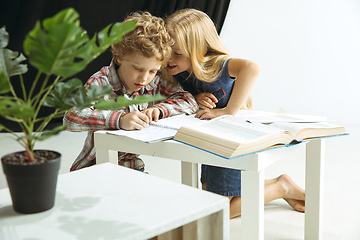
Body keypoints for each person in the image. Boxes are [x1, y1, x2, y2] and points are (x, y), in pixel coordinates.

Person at [164, 8, 305, 219]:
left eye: (178, 53)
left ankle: (281, 187)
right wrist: (196, 99)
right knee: (211, 196)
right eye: (167, 51)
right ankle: (278, 184)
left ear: (199, 49)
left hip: (229, 141)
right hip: (209, 142)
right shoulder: (182, 72)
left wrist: (229, 110)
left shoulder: (217, 65)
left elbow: (252, 68)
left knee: (215, 213)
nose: (169, 59)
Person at [63, 12, 198, 172]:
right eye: (138, 68)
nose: (144, 78)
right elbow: (71, 118)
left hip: (133, 167)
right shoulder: (101, 82)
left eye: (152, 71)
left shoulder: (155, 81)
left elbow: (189, 101)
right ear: (119, 56)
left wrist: (160, 110)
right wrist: (119, 120)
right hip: (95, 168)